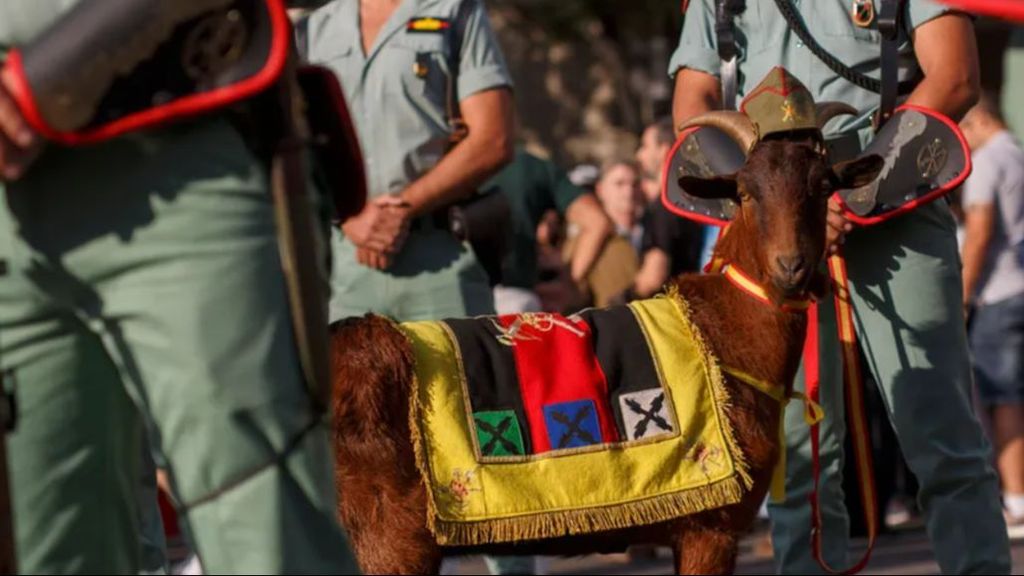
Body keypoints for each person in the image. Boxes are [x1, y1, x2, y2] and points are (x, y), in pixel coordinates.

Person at [0, 2, 359, 574]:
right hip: (10, 213)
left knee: (265, 532)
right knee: (42, 548)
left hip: (182, 131)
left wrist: (42, 85)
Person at [671, 2, 1009, 573]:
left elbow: (955, 75)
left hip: (895, 198)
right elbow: (693, 108)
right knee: (798, 463)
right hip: (775, 227)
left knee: (943, 443)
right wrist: (790, 204)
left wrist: (842, 195)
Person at [304, 0, 514, 323]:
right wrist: (348, 217)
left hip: (440, 259)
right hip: (343, 267)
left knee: (454, 372)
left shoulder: (455, 10)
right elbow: (296, 144)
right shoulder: (314, 28)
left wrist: (401, 209)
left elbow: (493, 140)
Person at [960, 92, 1024, 533]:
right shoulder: (1017, 154)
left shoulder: (986, 162)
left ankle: (1016, 499)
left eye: (962, 128)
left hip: (996, 294)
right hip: (1016, 287)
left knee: (1002, 400)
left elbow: (979, 233)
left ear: (978, 119)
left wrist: (961, 296)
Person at [485, 147, 612, 316]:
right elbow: (597, 221)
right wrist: (569, 283)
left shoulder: (443, 162)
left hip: (455, 301)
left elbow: (597, 223)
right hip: (514, 304)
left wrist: (568, 283)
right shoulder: (528, 165)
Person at [633, 118, 706, 299]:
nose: (639, 155)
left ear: (664, 150)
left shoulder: (663, 208)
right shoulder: (687, 202)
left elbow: (653, 276)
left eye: (645, 146)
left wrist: (620, 301)